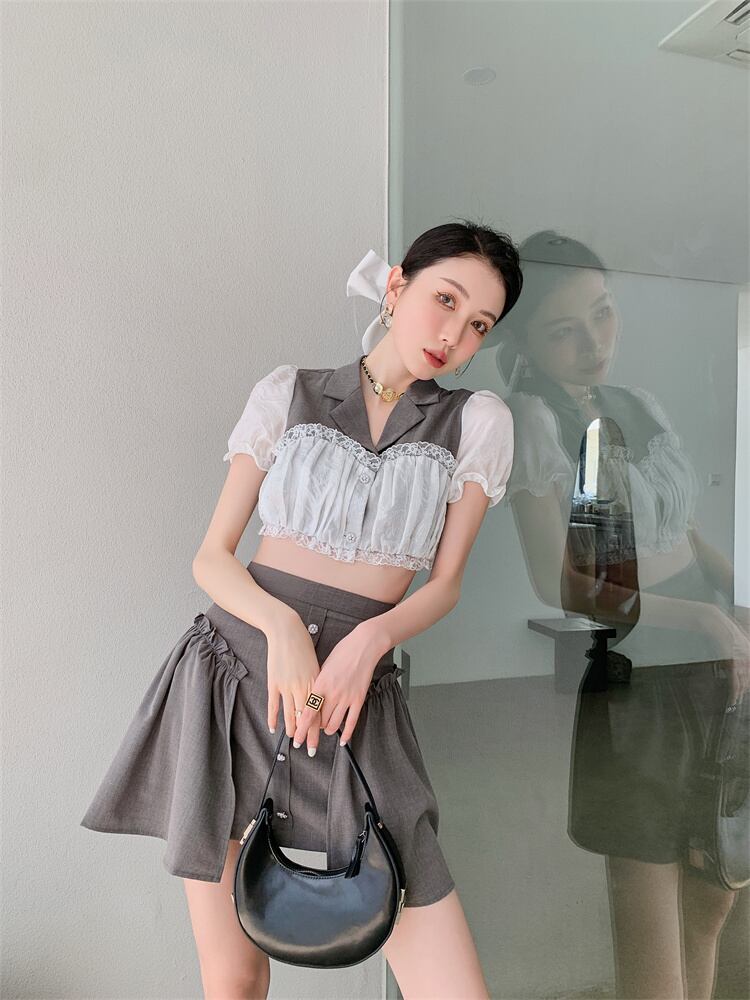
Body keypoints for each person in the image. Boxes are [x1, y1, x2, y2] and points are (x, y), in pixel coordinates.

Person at [80, 219, 524, 999]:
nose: (454, 335)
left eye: (479, 325)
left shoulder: (476, 423)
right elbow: (211, 557)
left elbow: (445, 584)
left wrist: (371, 642)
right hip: (232, 683)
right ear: (396, 286)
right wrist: (281, 626)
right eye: (446, 301)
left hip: (353, 701)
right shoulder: (289, 392)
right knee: (234, 979)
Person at [497, 231, 749, 1000]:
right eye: (563, 330)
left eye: (603, 314)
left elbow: (685, 534)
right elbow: (566, 585)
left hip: (715, 668)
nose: (594, 343)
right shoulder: (535, 421)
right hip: (641, 681)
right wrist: (703, 622)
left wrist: (735, 599)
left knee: (713, 899)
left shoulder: (637, 404)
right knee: (652, 944)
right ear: (525, 345)